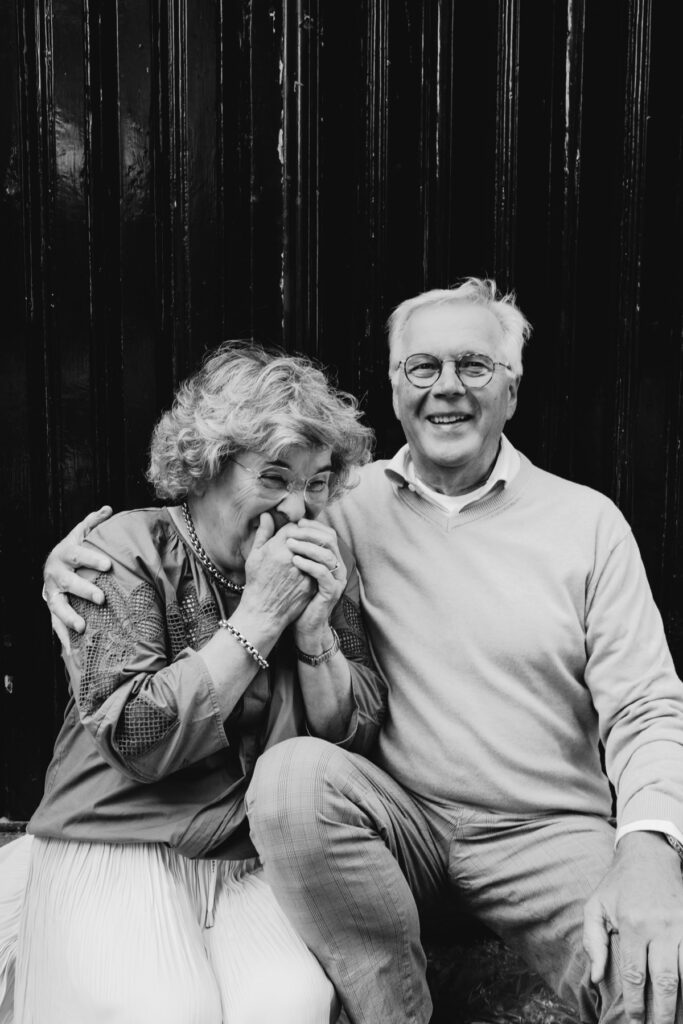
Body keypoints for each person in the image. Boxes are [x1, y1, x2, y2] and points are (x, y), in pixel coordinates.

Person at [40, 279, 683, 1024]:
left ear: (511, 388)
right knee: (287, 787)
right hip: (389, 821)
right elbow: (197, 521)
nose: (447, 389)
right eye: (422, 368)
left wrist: (650, 845)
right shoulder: (341, 505)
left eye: (474, 366)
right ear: (395, 387)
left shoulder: (583, 522)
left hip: (541, 832)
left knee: (654, 976)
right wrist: (66, 566)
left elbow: (644, 703)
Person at [0, 341, 384, 1024]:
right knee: (162, 1007)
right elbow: (136, 736)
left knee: (290, 1002)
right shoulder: (123, 550)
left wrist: (316, 633)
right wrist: (259, 618)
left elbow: (350, 737)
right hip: (115, 842)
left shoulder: (320, 561)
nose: (298, 508)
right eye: (273, 477)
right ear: (204, 469)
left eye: (317, 481)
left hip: (242, 857)